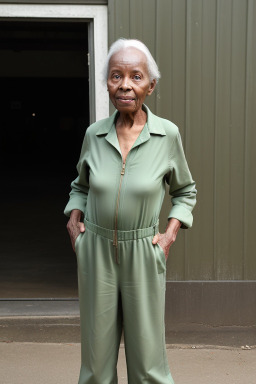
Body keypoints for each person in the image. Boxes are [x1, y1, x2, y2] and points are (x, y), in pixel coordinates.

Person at [64, 38, 197, 384]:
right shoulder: (94, 135)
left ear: (150, 86)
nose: (124, 85)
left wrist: (169, 234)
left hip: (143, 251)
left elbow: (185, 191)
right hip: (95, 251)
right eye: (116, 76)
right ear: (107, 82)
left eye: (135, 77)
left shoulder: (167, 135)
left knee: (148, 360)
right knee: (96, 360)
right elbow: (80, 185)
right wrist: (74, 218)